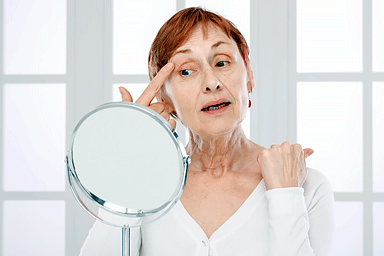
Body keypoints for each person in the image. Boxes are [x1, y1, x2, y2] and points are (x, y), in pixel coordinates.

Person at [80, 7, 334, 256]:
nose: (212, 83)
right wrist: (130, 169)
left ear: (249, 76)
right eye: (186, 71)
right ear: (163, 94)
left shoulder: (306, 185)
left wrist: (285, 196)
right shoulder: (143, 181)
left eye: (222, 62)